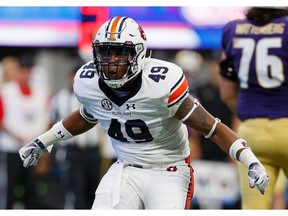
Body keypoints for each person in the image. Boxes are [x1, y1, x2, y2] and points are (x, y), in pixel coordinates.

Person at [18, 16, 269, 210]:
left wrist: (250, 160)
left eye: (119, 52)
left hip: (168, 172)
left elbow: (210, 127)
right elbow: (86, 116)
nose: (111, 60)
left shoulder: (161, 85)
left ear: (138, 53)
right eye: (105, 51)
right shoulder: (89, 82)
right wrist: (44, 142)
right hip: (125, 169)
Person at [219, 7, 288, 209]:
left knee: (254, 209)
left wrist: (252, 118)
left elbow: (227, 93)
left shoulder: (233, 30)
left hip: (252, 134)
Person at [49, 59, 111, 209]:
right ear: (69, 77)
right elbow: (52, 123)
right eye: (73, 74)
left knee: (95, 193)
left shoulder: (96, 95)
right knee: (76, 194)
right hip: (72, 152)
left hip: (93, 152)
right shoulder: (60, 98)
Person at [0, 54, 51, 209]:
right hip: (11, 150)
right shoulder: (6, 92)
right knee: (8, 190)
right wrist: (17, 136)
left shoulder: (42, 92)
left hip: (34, 151)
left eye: (29, 70)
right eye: (23, 70)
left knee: (33, 193)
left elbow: (48, 120)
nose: (26, 74)